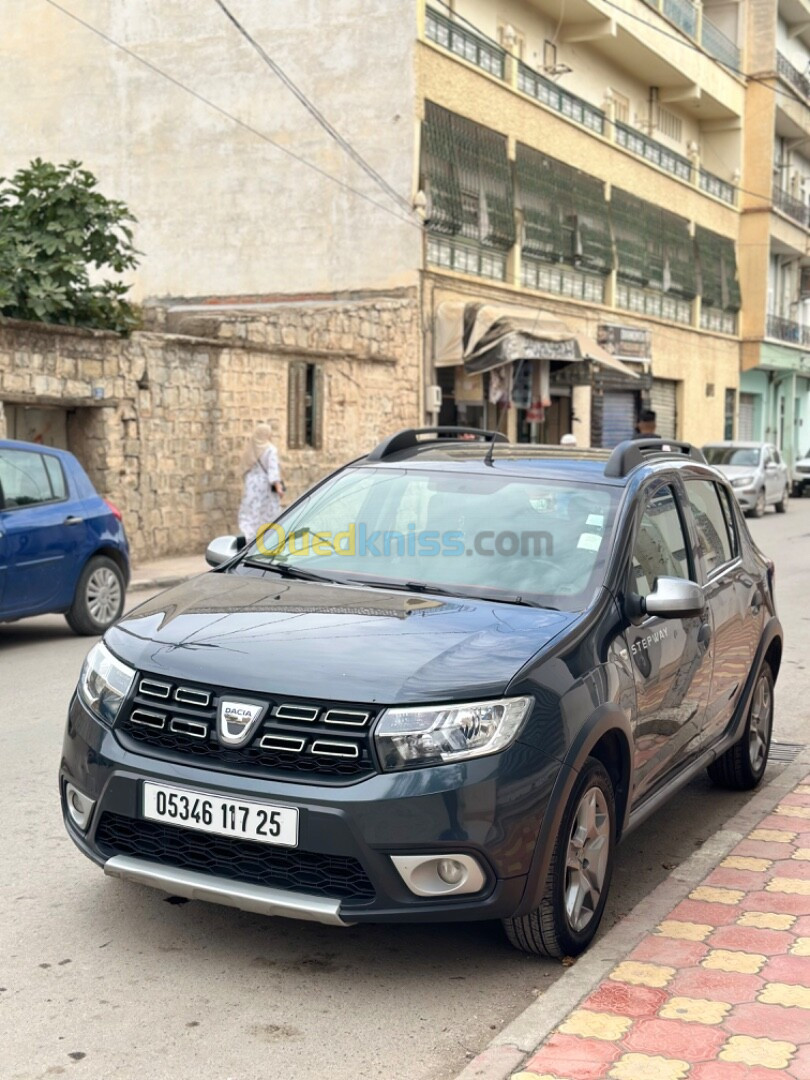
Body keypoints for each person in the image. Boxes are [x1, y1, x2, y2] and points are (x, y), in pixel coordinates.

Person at [237, 422, 284, 538]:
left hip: (251, 484)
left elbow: (245, 467)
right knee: (267, 513)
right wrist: (278, 488)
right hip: (265, 486)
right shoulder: (270, 450)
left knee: (251, 512)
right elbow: (273, 472)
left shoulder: (251, 449)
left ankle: (249, 539)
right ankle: (266, 540)